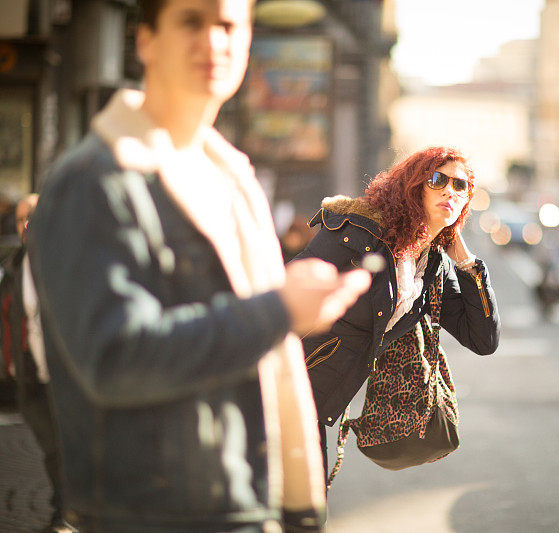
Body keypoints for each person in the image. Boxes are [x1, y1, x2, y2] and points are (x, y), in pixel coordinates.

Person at [27, 1, 370, 531]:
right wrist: (278, 309)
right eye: (191, 21)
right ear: (145, 40)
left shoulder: (228, 176)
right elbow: (114, 358)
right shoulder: (97, 180)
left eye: (228, 24)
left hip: (244, 502)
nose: (213, 42)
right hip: (154, 514)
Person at [294, 147, 500, 473]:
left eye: (460, 186)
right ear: (413, 186)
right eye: (437, 179)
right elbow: (290, 291)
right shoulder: (358, 234)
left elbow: (483, 340)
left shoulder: (432, 265)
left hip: (317, 404)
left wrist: (467, 264)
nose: (449, 189)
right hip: (285, 387)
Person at [0, 194, 74, 532]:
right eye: (20, 219)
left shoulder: (66, 262)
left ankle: (71, 514)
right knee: (50, 449)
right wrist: (11, 365)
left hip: (66, 375)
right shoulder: (14, 265)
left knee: (70, 446)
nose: (26, 224)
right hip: (29, 375)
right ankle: (66, 510)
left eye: (33, 215)